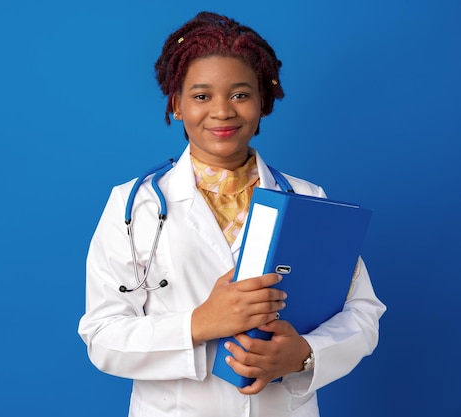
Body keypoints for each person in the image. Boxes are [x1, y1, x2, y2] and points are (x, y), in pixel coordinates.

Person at [78, 11, 386, 417]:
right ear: (176, 105)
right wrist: (201, 323)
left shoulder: (307, 198)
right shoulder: (134, 205)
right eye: (201, 96)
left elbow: (363, 313)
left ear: (262, 102)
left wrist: (304, 355)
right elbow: (102, 337)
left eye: (240, 95)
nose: (222, 111)